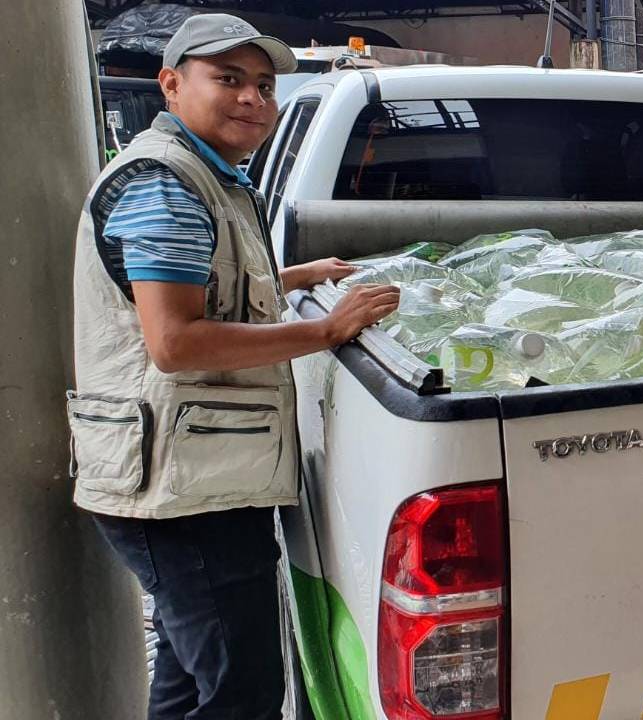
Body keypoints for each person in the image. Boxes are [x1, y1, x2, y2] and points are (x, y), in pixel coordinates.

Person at [66, 15, 398, 719]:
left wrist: (298, 274)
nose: (252, 99)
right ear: (171, 83)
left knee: (190, 679)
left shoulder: (208, 176)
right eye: (229, 79)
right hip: (184, 492)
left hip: (195, 478)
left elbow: (205, 283)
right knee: (241, 689)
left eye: (264, 85)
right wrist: (326, 329)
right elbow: (176, 341)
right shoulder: (166, 183)